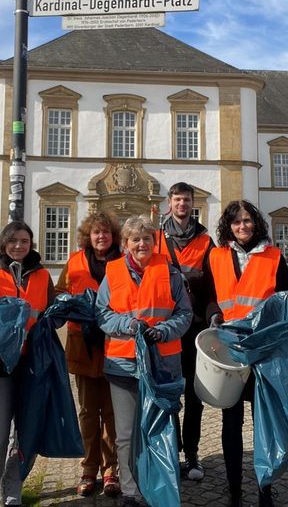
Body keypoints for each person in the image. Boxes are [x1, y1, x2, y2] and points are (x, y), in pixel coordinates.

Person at [96, 214, 192, 507]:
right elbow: (102, 314)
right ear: (125, 244)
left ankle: (162, 486)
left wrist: (161, 331)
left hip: (163, 364)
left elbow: (185, 314)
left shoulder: (171, 273)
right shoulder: (112, 273)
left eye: (147, 239)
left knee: (162, 430)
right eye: (135, 239)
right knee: (125, 433)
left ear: (154, 241)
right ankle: (130, 491)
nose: (142, 244)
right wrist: (129, 325)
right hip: (123, 365)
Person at [205, 200, 288, 507]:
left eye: (248, 221)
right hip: (229, 349)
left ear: (256, 223)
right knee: (231, 421)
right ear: (228, 226)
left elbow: (283, 303)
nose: (243, 227)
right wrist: (213, 312)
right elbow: (207, 296)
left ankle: (264, 486)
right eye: (237, 222)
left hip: (264, 352)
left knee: (262, 422)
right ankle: (234, 487)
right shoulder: (215, 256)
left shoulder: (273, 256)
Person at [0, 221, 56, 507]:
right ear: (3, 242)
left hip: (32, 364)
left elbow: (49, 316)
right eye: (13, 240)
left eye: (24, 240)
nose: (19, 246)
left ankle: (12, 493)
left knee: (25, 434)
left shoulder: (43, 276)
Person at [55, 211, 122, 498]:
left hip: (115, 344)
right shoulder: (74, 262)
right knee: (87, 412)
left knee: (111, 412)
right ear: (88, 235)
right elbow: (59, 294)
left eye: (106, 232)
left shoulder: (123, 262)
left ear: (113, 236)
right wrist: (69, 305)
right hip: (83, 345)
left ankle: (111, 470)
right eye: (96, 232)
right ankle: (88, 468)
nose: (101, 237)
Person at [154, 182, 215, 481]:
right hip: (165, 328)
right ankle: (169, 451)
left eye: (187, 200)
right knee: (167, 393)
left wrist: (214, 313)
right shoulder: (155, 238)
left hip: (196, 328)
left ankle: (191, 452)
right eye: (178, 199)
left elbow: (215, 282)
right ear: (170, 203)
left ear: (193, 203)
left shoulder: (205, 240)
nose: (182, 204)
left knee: (193, 395)